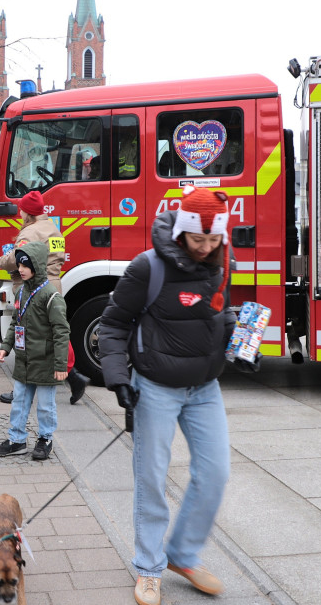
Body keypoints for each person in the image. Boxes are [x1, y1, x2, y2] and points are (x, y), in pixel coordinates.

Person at [96, 187, 245, 605]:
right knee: (152, 477)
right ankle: (148, 567)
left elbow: (222, 310)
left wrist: (239, 347)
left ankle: (182, 554)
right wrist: (118, 377)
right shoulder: (148, 267)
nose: (206, 247)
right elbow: (113, 324)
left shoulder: (222, 260)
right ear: (181, 232)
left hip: (205, 387)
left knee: (215, 473)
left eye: (214, 239)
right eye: (199, 240)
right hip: (157, 387)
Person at [0, 191, 82, 404]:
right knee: (50, 334)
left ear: (28, 212)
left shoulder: (30, 233)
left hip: (33, 288)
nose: (19, 213)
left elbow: (16, 259)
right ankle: (75, 378)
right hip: (53, 283)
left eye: (22, 209)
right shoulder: (52, 228)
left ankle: (23, 389)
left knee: (29, 336)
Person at [0, 241, 69, 461]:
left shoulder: (51, 296)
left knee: (45, 406)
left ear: (36, 265)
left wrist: (60, 365)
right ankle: (16, 440)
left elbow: (62, 332)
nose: (21, 269)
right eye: (19, 265)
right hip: (24, 360)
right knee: (19, 402)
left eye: (25, 265)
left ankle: (45, 439)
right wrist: (6, 347)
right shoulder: (22, 292)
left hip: (45, 362)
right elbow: (16, 324)